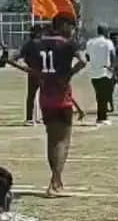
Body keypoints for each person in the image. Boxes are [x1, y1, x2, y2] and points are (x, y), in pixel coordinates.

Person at [23, 13, 87, 197]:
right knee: (63, 140)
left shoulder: (35, 43)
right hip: (62, 96)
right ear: (64, 25)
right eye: (72, 26)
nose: (73, 30)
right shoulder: (68, 44)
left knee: (52, 140)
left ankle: (56, 179)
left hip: (45, 97)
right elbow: (82, 61)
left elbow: (12, 58)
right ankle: (55, 181)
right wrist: (68, 75)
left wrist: (37, 73)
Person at [84, 26, 118, 125]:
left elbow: (87, 57)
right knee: (104, 95)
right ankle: (102, 117)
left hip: (93, 72)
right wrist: (112, 68)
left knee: (99, 95)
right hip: (104, 71)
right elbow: (113, 55)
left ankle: (101, 116)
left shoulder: (90, 42)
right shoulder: (108, 42)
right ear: (106, 32)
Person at [16, 25, 45, 125]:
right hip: (44, 72)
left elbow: (18, 56)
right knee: (44, 95)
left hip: (33, 72)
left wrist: (25, 67)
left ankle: (29, 118)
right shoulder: (43, 43)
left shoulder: (28, 44)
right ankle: (43, 116)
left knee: (31, 96)